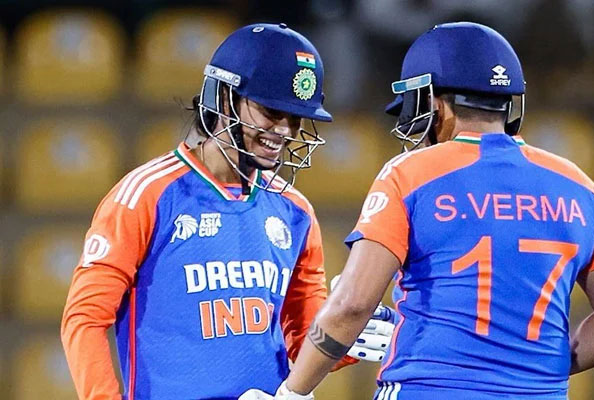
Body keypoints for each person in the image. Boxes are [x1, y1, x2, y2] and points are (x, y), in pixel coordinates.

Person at [273, 22, 594, 399]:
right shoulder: (581, 187)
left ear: (434, 103)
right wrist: (527, 366)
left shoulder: (411, 174)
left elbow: (353, 304)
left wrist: (293, 391)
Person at [61, 23, 391, 400]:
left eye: (295, 117)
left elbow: (301, 341)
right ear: (223, 99)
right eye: (271, 111)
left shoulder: (295, 211)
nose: (284, 130)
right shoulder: (146, 194)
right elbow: (85, 318)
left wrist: (342, 336)